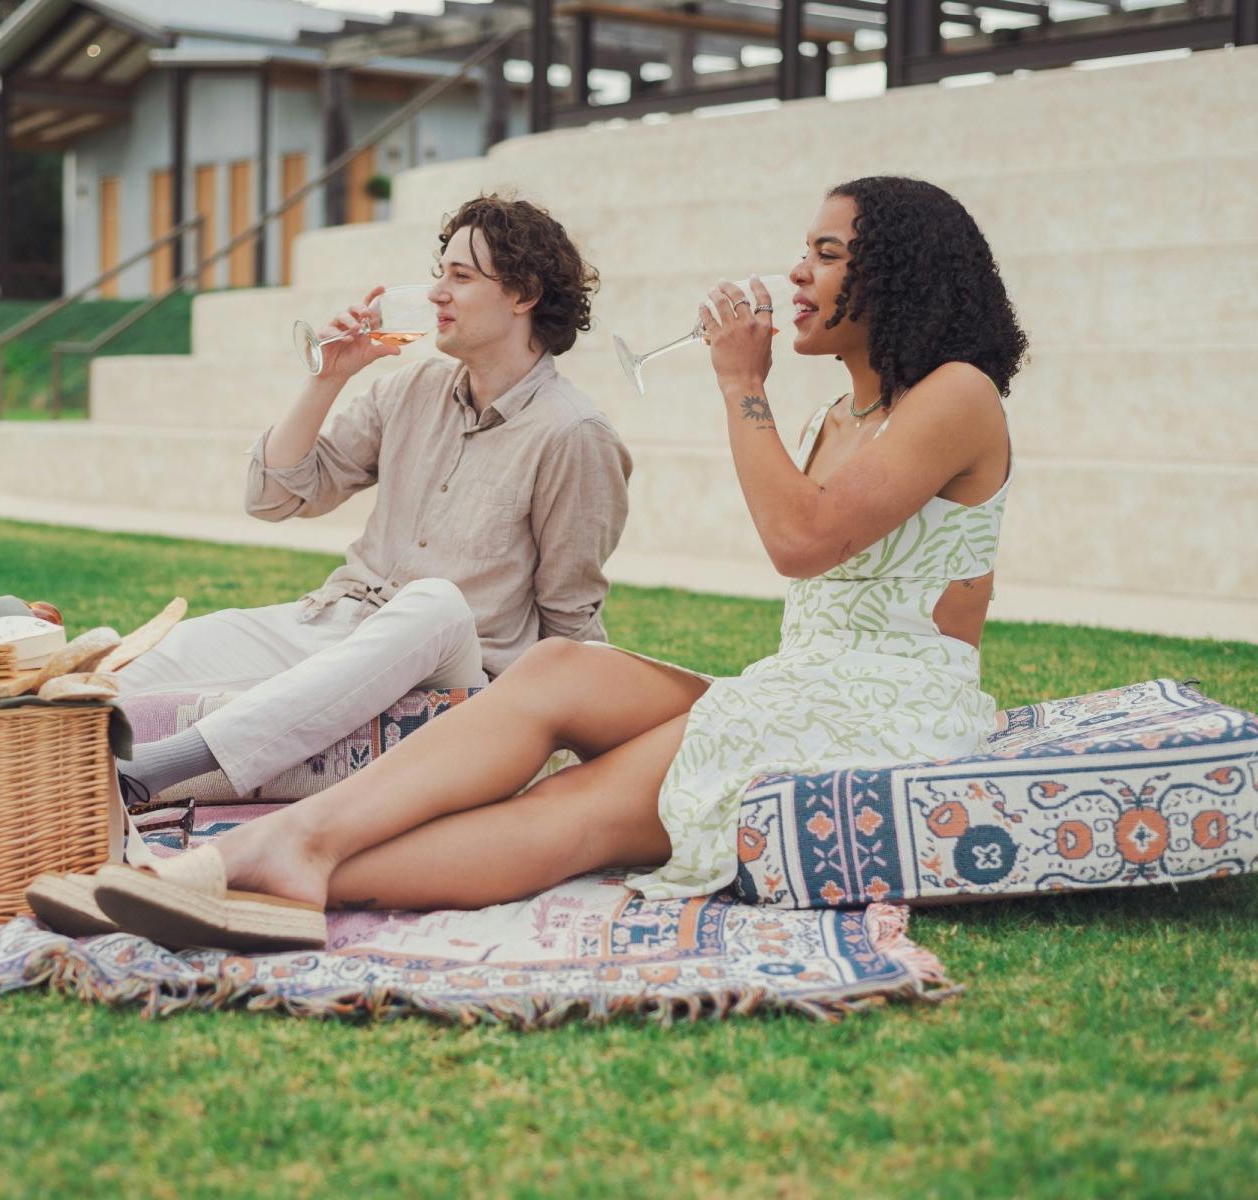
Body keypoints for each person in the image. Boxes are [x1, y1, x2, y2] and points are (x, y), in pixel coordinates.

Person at [83, 175, 1030, 950]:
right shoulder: (843, 414)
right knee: (557, 668)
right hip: (806, 683)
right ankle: (275, 840)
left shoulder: (959, 394)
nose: (797, 270)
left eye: (827, 253)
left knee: (578, 811)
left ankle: (279, 859)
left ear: (899, 271)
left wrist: (742, 385)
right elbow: (804, 550)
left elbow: (800, 541)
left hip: (889, 706)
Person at [0, 195, 632, 850]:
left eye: (462, 276)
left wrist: (516, 760)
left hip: (456, 674)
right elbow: (276, 493)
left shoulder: (576, 436)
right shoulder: (416, 386)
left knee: (432, 605)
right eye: (441, 270)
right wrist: (328, 379)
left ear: (524, 295)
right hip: (332, 623)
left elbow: (574, 639)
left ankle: (148, 775)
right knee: (112, 672)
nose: (438, 291)